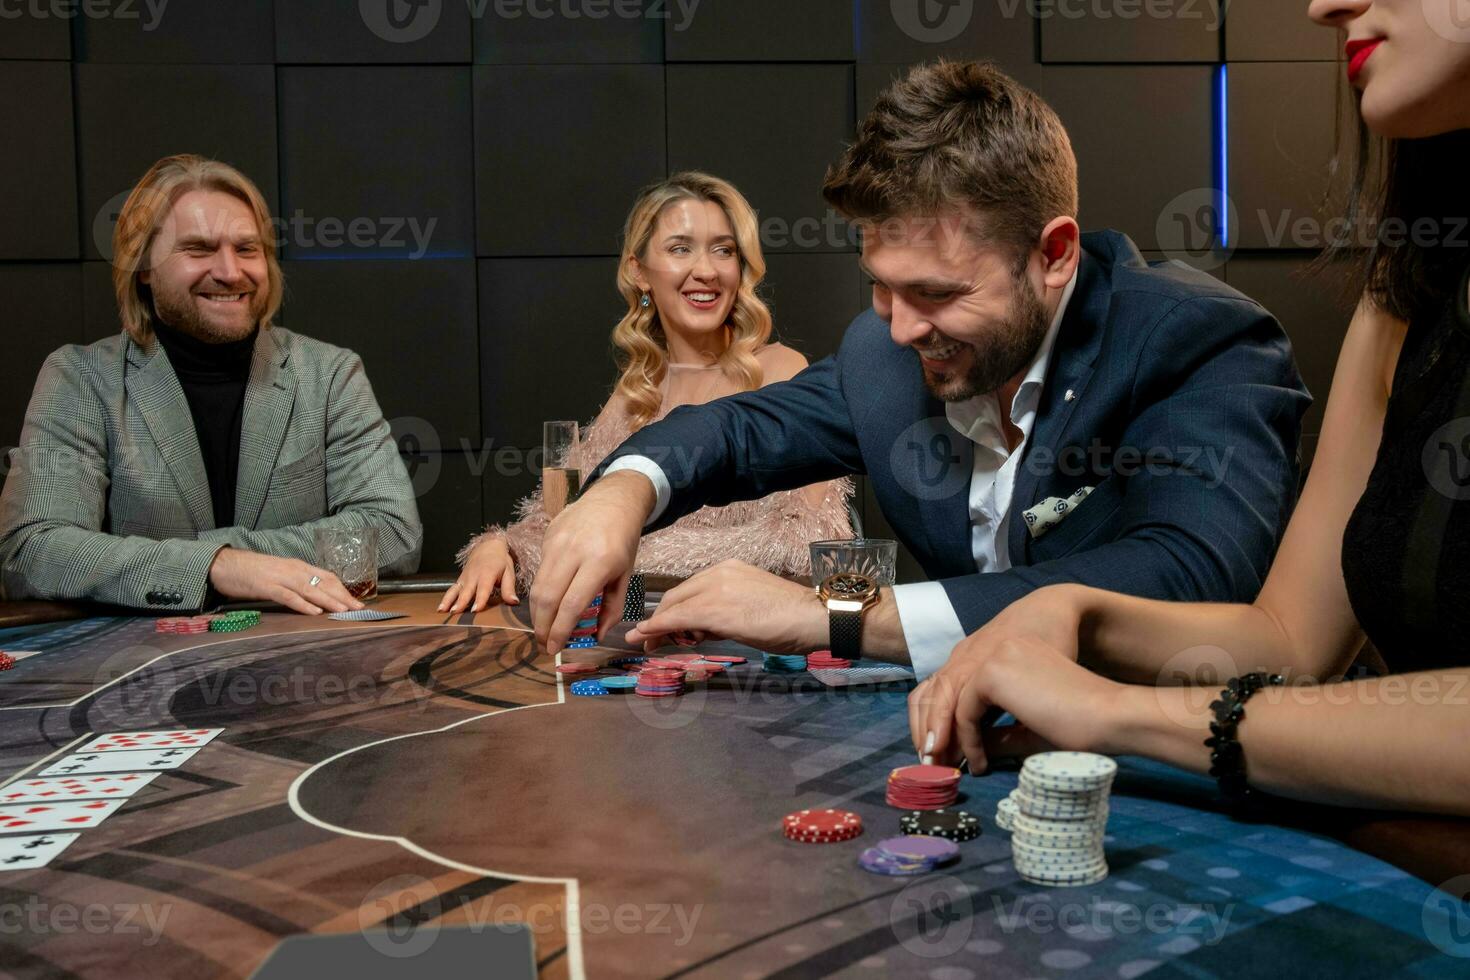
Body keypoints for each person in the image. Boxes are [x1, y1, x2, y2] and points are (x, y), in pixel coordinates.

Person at [528, 61, 1310, 671]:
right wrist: (624, 492)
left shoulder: (1196, 340)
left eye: (935, 293)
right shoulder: (885, 354)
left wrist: (840, 617)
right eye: (881, 287)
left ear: (1055, 254)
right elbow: (740, 428)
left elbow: (1193, 576)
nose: (901, 329)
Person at [911, 0, 1470, 817]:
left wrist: (1118, 713)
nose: (1324, 7)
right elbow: (1291, 642)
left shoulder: (1193, 336)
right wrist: (1077, 610)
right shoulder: (1403, 299)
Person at [0, 155, 422, 616]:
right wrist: (218, 567)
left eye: (247, 249)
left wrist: (231, 559)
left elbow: (392, 532)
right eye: (198, 249)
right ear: (142, 267)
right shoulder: (80, 380)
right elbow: (31, 551)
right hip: (143, 672)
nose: (229, 271)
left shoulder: (330, 374)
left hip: (304, 664)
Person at [439, 172, 851, 614]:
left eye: (724, 250)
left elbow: (808, 544)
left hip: (746, 650)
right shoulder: (638, 387)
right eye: (680, 248)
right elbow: (562, 520)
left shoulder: (779, 369)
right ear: (639, 272)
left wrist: (624, 544)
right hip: (640, 636)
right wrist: (503, 548)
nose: (707, 270)